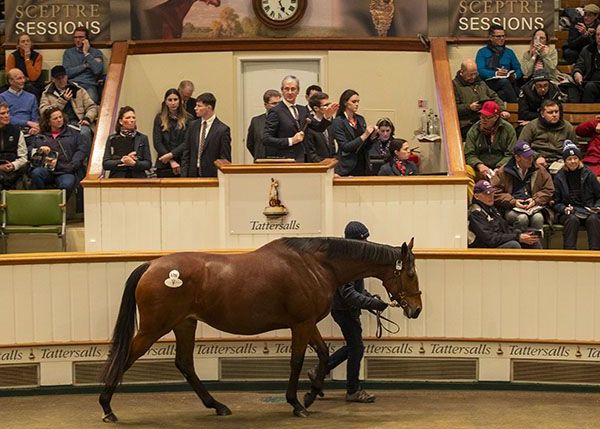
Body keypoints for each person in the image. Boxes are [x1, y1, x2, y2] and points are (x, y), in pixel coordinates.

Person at [308, 221, 390, 403]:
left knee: (354, 346)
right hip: (344, 311)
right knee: (357, 347)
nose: (366, 243)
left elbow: (357, 291)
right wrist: (374, 304)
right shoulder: (346, 262)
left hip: (345, 310)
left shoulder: (352, 259)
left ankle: (321, 370)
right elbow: (349, 295)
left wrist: (373, 301)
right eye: (363, 239)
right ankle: (352, 390)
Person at [263, 75, 337, 162]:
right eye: (286, 89)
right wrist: (291, 140)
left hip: (304, 160)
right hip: (286, 160)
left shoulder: (302, 110)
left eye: (293, 89)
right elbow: (266, 139)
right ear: (282, 91)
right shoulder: (276, 111)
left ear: (298, 91)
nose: (290, 92)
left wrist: (327, 116)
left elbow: (318, 128)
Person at [491, 140, 554, 234]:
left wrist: (535, 200)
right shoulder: (504, 171)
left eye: (531, 156)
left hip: (533, 206)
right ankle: (518, 245)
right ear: (517, 157)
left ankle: (536, 247)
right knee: (522, 218)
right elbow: (495, 191)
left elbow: (549, 189)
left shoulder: (539, 170)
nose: (530, 159)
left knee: (538, 218)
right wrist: (513, 202)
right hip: (511, 207)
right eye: (527, 157)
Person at [29, 107, 89, 197]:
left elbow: (81, 150)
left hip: (66, 170)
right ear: (48, 122)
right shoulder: (40, 136)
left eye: (60, 117)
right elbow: (30, 152)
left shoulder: (73, 133)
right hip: (47, 170)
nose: (59, 120)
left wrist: (73, 165)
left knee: (67, 184)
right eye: (55, 118)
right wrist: (40, 150)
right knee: (36, 173)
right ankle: (42, 201)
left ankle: (59, 206)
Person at [553, 142, 600, 250]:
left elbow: (599, 196)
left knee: (594, 219)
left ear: (579, 159)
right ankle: (569, 252)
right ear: (565, 161)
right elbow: (556, 202)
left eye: (575, 158)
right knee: (572, 220)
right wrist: (563, 209)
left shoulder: (589, 174)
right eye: (569, 159)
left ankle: (595, 252)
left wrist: (597, 207)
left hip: (588, 210)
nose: (573, 161)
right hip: (569, 212)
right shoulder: (559, 177)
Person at [468, 180, 542, 249]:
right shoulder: (475, 213)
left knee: (533, 240)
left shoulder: (491, 208)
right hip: (486, 248)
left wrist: (522, 233)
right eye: (487, 194)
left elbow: (505, 229)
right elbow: (490, 239)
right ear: (476, 196)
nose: (491, 196)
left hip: (498, 241)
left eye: (492, 193)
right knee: (513, 245)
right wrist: (517, 237)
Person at [464, 101, 516, 195]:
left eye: (488, 117)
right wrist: (479, 165)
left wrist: (499, 167)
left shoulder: (508, 129)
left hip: (501, 167)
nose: (483, 120)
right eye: (482, 116)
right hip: (480, 167)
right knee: (467, 171)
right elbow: (469, 154)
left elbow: (511, 153)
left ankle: (507, 200)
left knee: (509, 170)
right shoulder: (474, 130)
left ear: (496, 117)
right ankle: (472, 201)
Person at [39, 65, 98, 143]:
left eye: (63, 77)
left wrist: (87, 118)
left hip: (78, 121)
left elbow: (92, 107)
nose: (61, 80)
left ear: (67, 76)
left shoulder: (79, 90)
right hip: (58, 124)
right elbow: (44, 112)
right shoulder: (47, 93)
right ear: (53, 79)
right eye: (58, 78)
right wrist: (62, 101)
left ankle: (86, 155)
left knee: (85, 132)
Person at [452, 58, 506, 139]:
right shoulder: (454, 85)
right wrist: (469, 107)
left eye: (475, 74)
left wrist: (502, 110)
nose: (473, 77)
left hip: (488, 121)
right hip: (468, 123)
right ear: (462, 72)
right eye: (470, 75)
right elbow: (452, 108)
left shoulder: (481, 83)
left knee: (505, 130)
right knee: (484, 134)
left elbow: (494, 96)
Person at [181, 92, 231, 178]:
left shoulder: (222, 130)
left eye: (199, 106)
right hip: (192, 174)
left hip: (212, 176)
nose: (195, 108)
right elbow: (186, 152)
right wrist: (184, 176)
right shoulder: (192, 126)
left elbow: (225, 158)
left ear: (209, 108)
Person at [519, 100, 578, 170]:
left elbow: (575, 147)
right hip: (537, 161)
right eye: (550, 112)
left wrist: (567, 159)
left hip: (561, 162)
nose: (554, 115)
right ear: (542, 114)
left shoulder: (567, 127)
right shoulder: (531, 126)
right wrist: (536, 157)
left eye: (556, 112)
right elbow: (521, 145)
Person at [333, 89, 377, 176]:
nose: (357, 104)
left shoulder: (360, 119)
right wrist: (364, 135)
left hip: (362, 163)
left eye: (358, 101)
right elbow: (345, 147)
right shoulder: (338, 121)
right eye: (354, 101)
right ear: (345, 103)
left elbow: (364, 144)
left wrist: (372, 136)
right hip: (347, 166)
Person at [475, 25, 522, 103]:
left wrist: (514, 76)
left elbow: (518, 68)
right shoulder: (482, 52)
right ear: (491, 37)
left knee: (502, 94)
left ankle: (509, 112)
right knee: (504, 82)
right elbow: (480, 70)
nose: (502, 39)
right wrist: (496, 73)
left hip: (508, 84)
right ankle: (516, 106)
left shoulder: (509, 52)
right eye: (498, 36)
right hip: (489, 83)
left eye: (503, 36)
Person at [102, 106, 152, 179]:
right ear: (121, 121)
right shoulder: (112, 138)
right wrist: (123, 161)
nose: (131, 120)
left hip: (138, 178)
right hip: (117, 179)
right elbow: (106, 164)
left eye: (133, 117)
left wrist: (134, 163)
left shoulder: (142, 138)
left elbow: (148, 164)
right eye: (128, 118)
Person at [153, 88, 189, 177]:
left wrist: (172, 154)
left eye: (175, 100)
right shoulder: (159, 118)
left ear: (180, 101)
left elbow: (187, 142)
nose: (173, 103)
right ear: (165, 102)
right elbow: (157, 142)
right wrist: (170, 160)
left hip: (182, 162)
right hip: (164, 162)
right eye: (170, 100)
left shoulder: (189, 118)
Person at [62, 26, 104, 103]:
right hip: (73, 85)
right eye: (75, 37)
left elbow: (98, 70)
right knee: (67, 102)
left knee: (91, 103)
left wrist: (86, 53)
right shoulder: (68, 53)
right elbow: (67, 73)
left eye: (81, 37)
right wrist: (85, 66)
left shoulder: (96, 53)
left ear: (87, 39)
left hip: (89, 86)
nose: (78, 40)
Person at [0, 68, 40, 143]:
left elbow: (35, 117)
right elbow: (5, 117)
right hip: (10, 131)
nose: (23, 81)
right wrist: (27, 122)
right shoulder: (2, 97)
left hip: (30, 132)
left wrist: (35, 127)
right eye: (19, 78)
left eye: (23, 77)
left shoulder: (31, 97)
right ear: (10, 81)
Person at [5, 33, 44, 99]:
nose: (26, 43)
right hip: (16, 84)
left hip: (34, 85)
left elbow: (33, 77)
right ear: (18, 45)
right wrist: (24, 79)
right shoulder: (12, 56)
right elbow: (10, 76)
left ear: (31, 43)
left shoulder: (38, 56)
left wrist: (27, 59)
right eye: (23, 41)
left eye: (28, 41)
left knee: (30, 88)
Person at [246, 89, 281, 161]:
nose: (277, 106)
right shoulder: (256, 121)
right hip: (261, 162)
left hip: (281, 162)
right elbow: (250, 144)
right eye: (274, 103)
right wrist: (258, 156)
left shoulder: (286, 120)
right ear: (265, 105)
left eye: (279, 103)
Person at [0, 102, 28, 189]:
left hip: (14, 170)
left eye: (8, 112)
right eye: (2, 113)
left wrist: (13, 165)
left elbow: (23, 158)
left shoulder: (16, 131)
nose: (7, 115)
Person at [305, 91, 335, 163]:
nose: (329, 107)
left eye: (329, 104)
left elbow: (333, 147)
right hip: (317, 168)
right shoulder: (310, 126)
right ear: (316, 108)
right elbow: (311, 154)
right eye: (325, 105)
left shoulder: (329, 124)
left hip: (331, 166)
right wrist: (325, 164)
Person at [572, 23, 600, 103]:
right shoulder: (587, 50)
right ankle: (585, 114)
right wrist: (577, 73)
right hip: (591, 83)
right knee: (589, 87)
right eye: (598, 34)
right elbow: (579, 65)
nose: (599, 37)